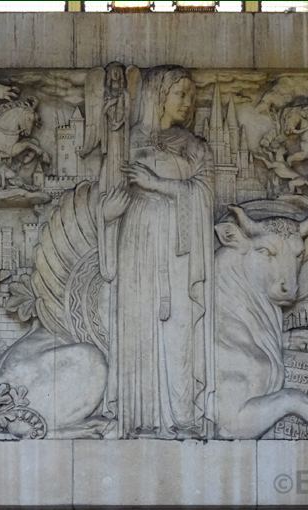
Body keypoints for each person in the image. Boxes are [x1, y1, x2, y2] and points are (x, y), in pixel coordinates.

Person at [99, 65, 215, 439]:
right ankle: (136, 418)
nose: (188, 102)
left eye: (192, 96)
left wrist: (158, 184)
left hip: (179, 245)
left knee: (179, 324)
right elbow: (104, 195)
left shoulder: (195, 148)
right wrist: (107, 215)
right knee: (138, 322)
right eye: (180, 93)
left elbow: (205, 196)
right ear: (158, 95)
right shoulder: (127, 141)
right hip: (138, 241)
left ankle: (181, 418)